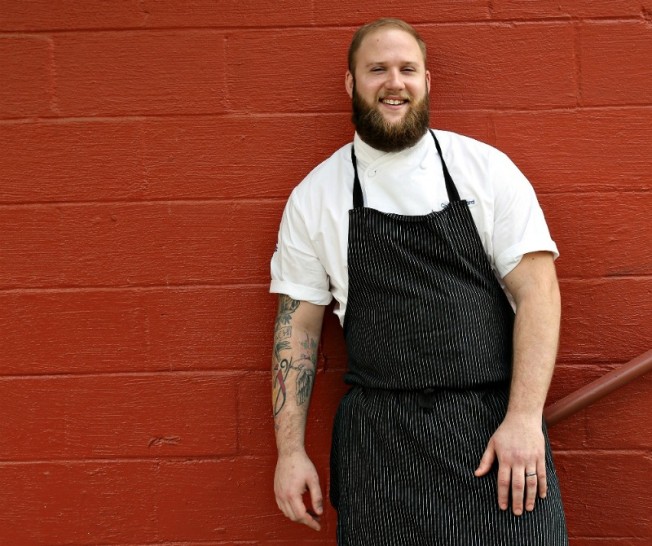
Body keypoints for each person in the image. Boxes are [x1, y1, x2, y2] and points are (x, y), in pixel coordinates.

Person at [270, 17, 568, 545]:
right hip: (379, 446)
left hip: (494, 437)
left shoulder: (484, 169)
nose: (394, 82)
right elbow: (298, 330)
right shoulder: (316, 196)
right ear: (351, 83)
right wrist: (289, 452)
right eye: (376, 70)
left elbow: (538, 293)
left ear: (427, 81)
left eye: (408, 69)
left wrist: (524, 419)